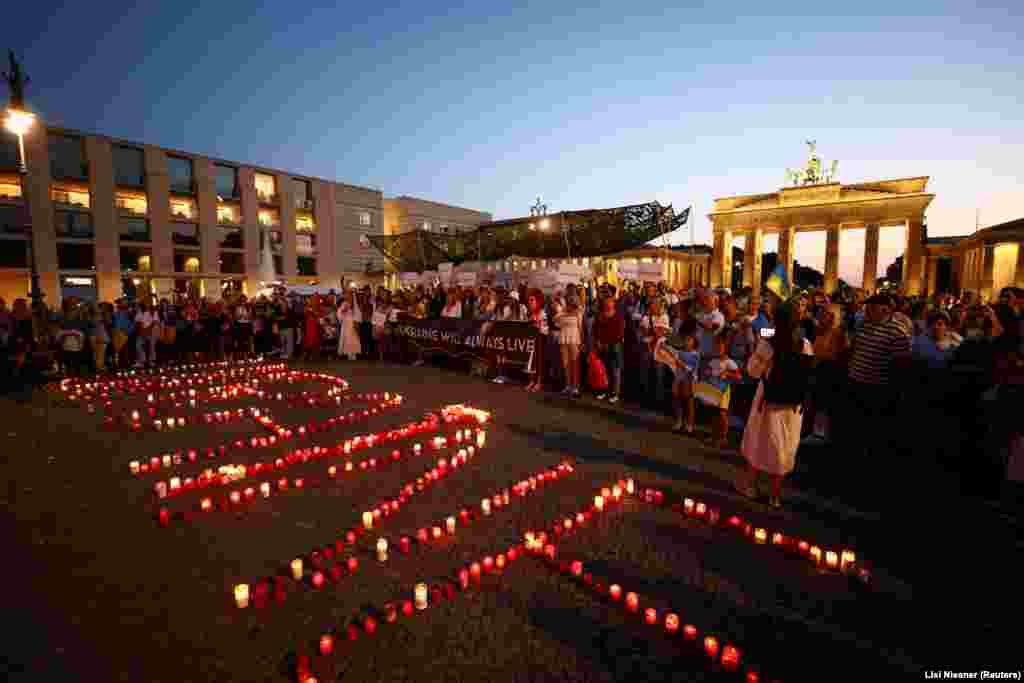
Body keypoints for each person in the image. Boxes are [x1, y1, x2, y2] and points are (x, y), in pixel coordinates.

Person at [736, 301, 814, 508]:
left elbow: (752, 371)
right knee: (784, 445)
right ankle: (775, 496)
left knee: (759, 441)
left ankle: (751, 487)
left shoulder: (768, 343)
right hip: (792, 405)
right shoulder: (804, 344)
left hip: (768, 400)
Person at [696, 335, 741, 449]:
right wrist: (707, 372)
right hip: (713, 389)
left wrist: (727, 374)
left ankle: (723, 437)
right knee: (714, 413)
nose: (718, 349)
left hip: (724, 390)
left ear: (726, 348)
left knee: (722, 413)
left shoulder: (730, 362)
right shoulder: (713, 361)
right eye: (716, 347)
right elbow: (708, 371)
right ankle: (714, 435)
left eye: (720, 347)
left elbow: (738, 376)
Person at [592, 295, 625, 403]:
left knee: (615, 370)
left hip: (614, 346)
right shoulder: (600, 315)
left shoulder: (618, 316)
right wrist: (597, 341)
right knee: (603, 370)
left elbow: (619, 333)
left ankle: (615, 393)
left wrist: (607, 342)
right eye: (606, 302)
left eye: (609, 302)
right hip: (602, 345)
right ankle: (604, 391)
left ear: (613, 303)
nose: (607, 304)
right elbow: (595, 329)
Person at [554, 290, 583, 398]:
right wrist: (563, 312)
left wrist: (581, 341)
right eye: (568, 301)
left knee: (574, 364)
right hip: (563, 337)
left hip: (574, 338)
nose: (569, 302)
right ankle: (568, 385)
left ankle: (575, 387)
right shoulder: (563, 312)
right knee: (565, 363)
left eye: (571, 301)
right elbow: (555, 321)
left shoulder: (578, 312)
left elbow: (580, 327)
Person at [524, 289, 548, 393]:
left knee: (539, 362)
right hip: (532, 341)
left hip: (540, 341)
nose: (530, 303)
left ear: (538, 301)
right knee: (530, 362)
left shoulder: (542, 314)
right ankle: (532, 381)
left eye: (532, 300)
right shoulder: (531, 314)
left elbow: (545, 330)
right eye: (529, 300)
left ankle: (539, 382)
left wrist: (537, 326)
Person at [336, 290, 362, 360]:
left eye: (350, 295)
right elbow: (339, 313)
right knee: (347, 338)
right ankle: (348, 353)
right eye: (347, 295)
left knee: (354, 338)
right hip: (346, 322)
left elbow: (358, 313)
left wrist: (356, 321)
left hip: (353, 322)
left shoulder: (355, 304)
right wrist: (343, 312)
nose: (349, 297)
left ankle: (353, 353)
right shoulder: (344, 303)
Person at [134, 303, 157, 367]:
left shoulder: (148, 313)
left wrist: (148, 329)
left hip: (150, 332)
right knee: (138, 346)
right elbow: (138, 324)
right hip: (141, 332)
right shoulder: (138, 314)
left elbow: (153, 322)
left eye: (137, 306)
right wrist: (142, 331)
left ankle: (151, 361)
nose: (136, 308)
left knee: (151, 346)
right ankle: (142, 361)